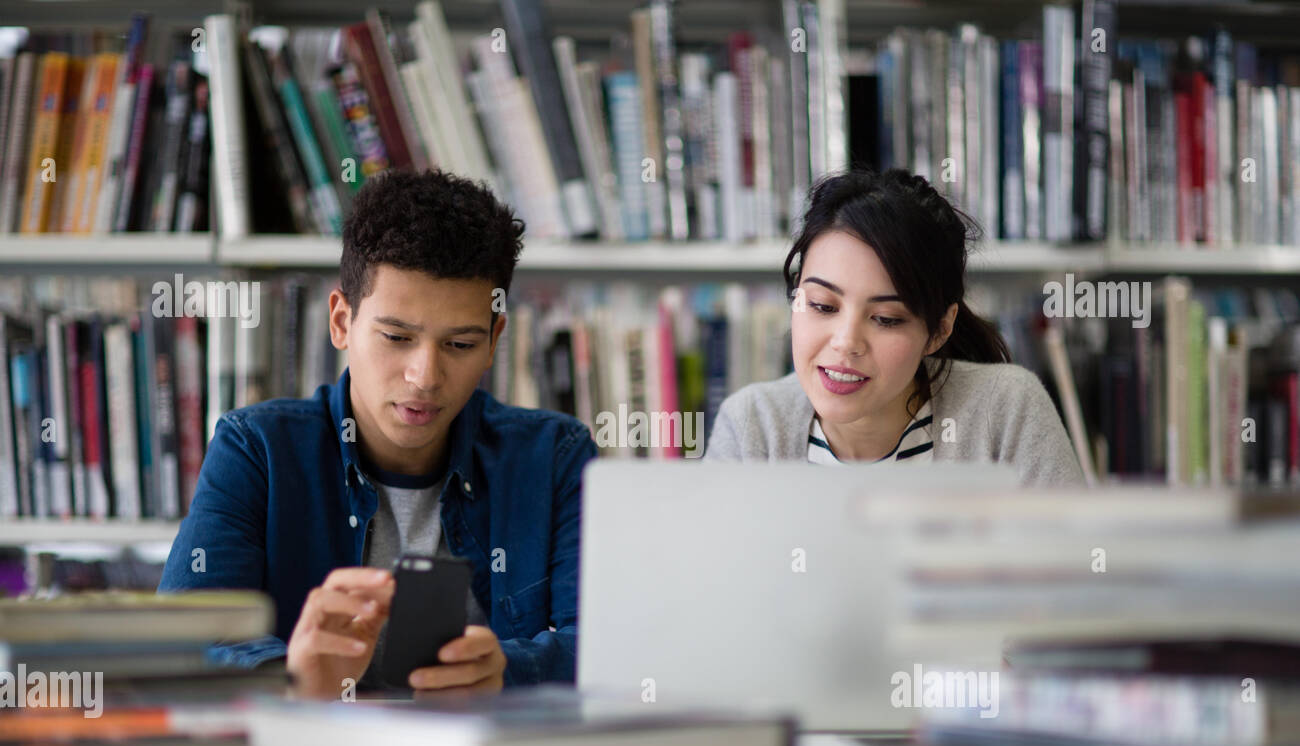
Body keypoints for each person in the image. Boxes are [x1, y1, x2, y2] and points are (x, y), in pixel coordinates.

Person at [158, 169, 597, 698]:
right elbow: (190, 639)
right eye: (396, 336)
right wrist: (294, 676)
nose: (425, 377)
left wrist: (508, 671)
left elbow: (605, 646)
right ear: (341, 321)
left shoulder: (555, 458)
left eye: (460, 345)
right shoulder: (257, 450)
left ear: (495, 338)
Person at [705, 167, 1084, 485]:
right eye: (822, 306)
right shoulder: (751, 426)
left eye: (886, 319)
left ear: (939, 330)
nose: (846, 342)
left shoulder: (1005, 411)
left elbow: (1074, 565)